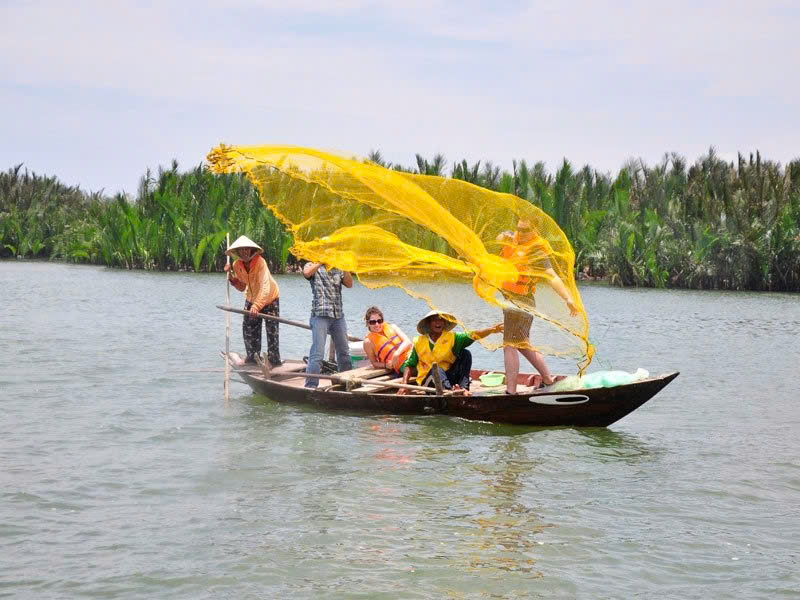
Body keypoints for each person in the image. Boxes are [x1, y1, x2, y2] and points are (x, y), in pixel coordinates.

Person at [497, 218, 578, 393]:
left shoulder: (537, 250)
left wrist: (568, 298)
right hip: (510, 300)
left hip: (521, 301)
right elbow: (498, 238)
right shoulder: (512, 241)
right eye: (518, 229)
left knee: (509, 344)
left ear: (535, 232)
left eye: (526, 231)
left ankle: (510, 391)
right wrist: (507, 236)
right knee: (522, 344)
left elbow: (552, 276)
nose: (521, 233)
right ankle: (548, 380)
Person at [398, 310, 503, 396]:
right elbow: (409, 365)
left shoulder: (452, 338)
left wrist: (491, 330)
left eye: (441, 320)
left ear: (444, 323)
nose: (438, 323)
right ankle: (450, 391)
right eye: (434, 320)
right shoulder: (418, 341)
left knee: (465, 354)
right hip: (428, 381)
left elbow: (472, 335)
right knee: (437, 369)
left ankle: (463, 388)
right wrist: (404, 385)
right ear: (429, 324)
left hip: (448, 377)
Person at [223, 235, 281, 367]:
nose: (244, 253)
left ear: (251, 250)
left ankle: (274, 360)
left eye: (246, 250)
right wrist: (231, 276)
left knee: (272, 330)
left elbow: (265, 287)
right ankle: (252, 357)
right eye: (241, 250)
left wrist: (257, 306)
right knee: (249, 328)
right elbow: (242, 286)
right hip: (251, 298)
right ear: (237, 252)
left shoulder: (260, 262)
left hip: (270, 298)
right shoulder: (237, 264)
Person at [303, 261, 354, 388]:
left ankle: (345, 383)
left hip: (338, 316)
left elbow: (349, 284)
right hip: (320, 315)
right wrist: (321, 261)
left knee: (344, 352)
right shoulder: (312, 265)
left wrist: (345, 266)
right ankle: (311, 386)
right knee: (317, 354)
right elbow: (306, 273)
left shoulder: (338, 267)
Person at [362, 306, 412, 373]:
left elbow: (408, 342)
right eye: (373, 322)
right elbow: (374, 363)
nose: (377, 324)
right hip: (403, 365)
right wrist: (386, 365)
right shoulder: (368, 342)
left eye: (379, 321)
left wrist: (396, 354)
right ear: (368, 323)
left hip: (412, 355)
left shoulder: (393, 327)